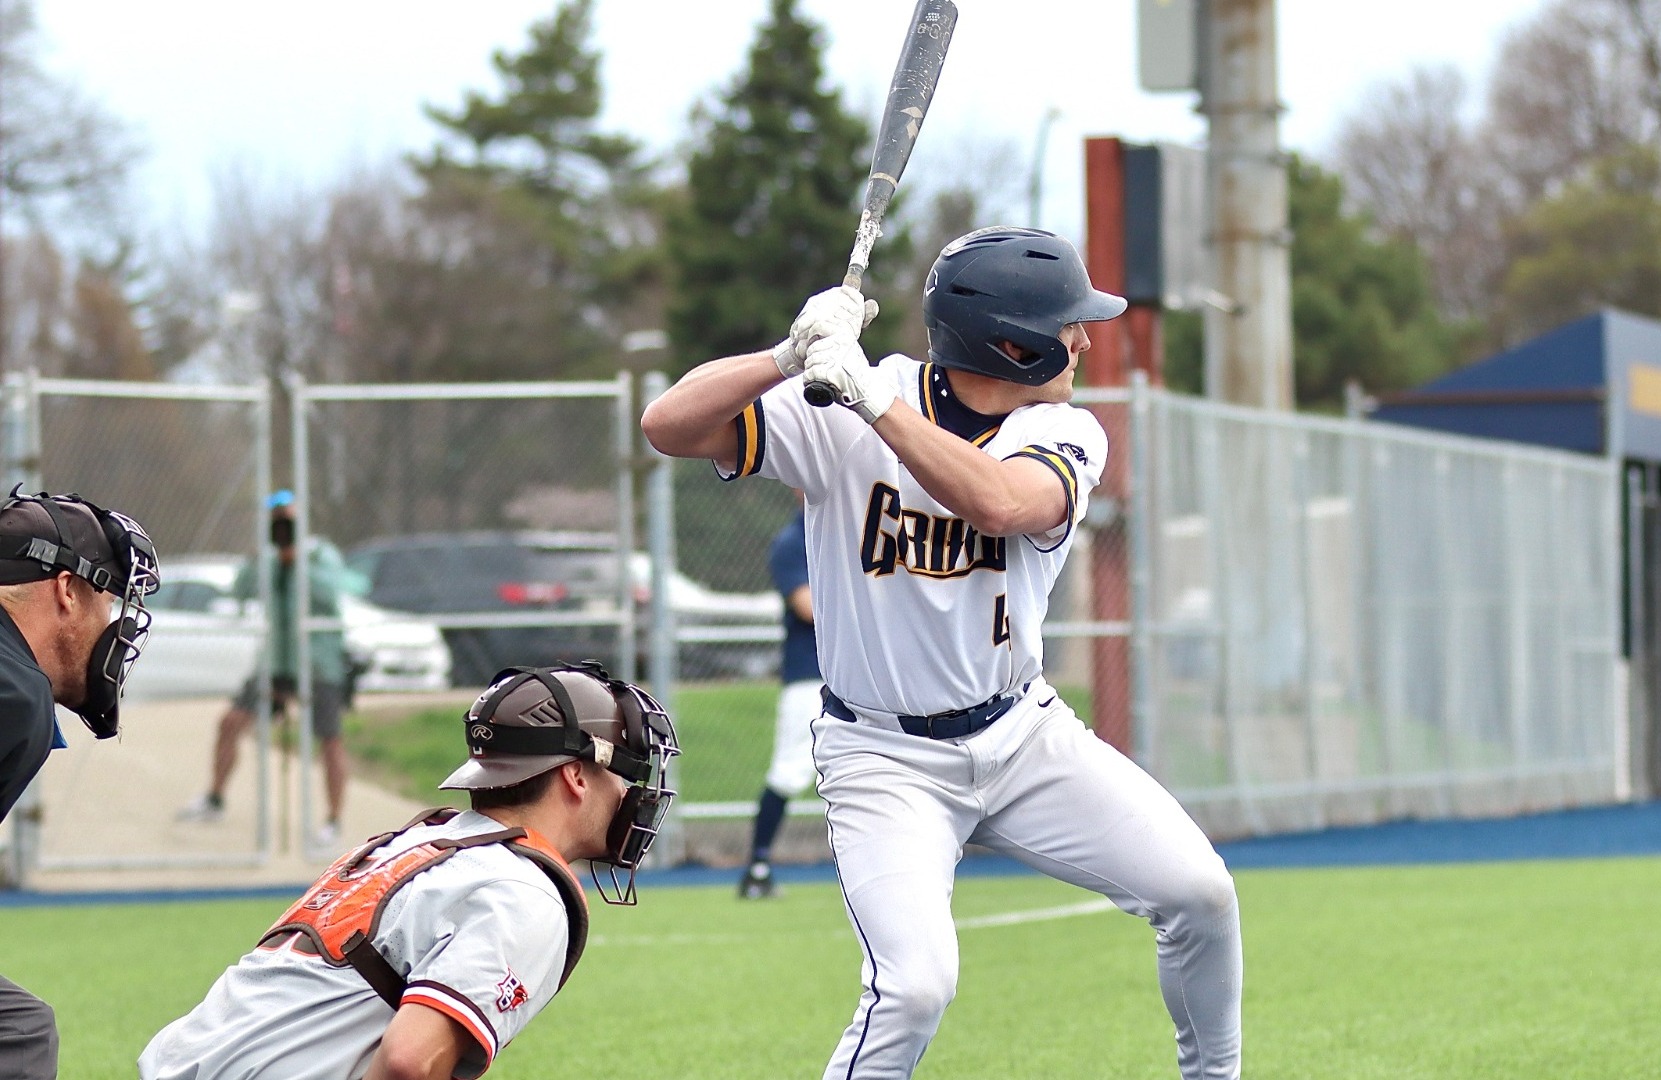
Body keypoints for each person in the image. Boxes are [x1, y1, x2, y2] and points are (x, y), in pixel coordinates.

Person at [642, 226, 1242, 1078]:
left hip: (1023, 736)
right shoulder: (853, 400)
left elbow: (999, 502)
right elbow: (666, 424)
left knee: (1201, 895)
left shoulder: (1064, 428)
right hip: (882, 755)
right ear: (1011, 341)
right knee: (915, 987)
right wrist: (786, 354)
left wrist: (870, 401)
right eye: (1067, 323)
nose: (1083, 337)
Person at [139, 661, 680, 1080]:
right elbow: (408, 1063)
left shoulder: (417, 841)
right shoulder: (521, 889)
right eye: (625, 773)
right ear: (576, 777)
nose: (632, 794)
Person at [0, 487, 159, 1080]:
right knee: (17, 1033)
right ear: (67, 590)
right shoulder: (15, 693)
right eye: (109, 600)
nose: (114, 624)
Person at [179, 491, 363, 847]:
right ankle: (215, 798)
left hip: (317, 662)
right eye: (276, 520)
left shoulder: (321, 555)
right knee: (230, 722)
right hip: (275, 661)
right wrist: (261, 556)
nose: (282, 527)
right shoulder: (266, 558)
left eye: (287, 520)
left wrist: (297, 561)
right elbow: (241, 590)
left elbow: (330, 594)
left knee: (330, 740)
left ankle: (333, 820)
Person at [738, 505, 824, 899]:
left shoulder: (861, 523)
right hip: (812, 676)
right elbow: (807, 607)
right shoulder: (794, 540)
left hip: (865, 675)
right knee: (790, 771)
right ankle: (758, 866)